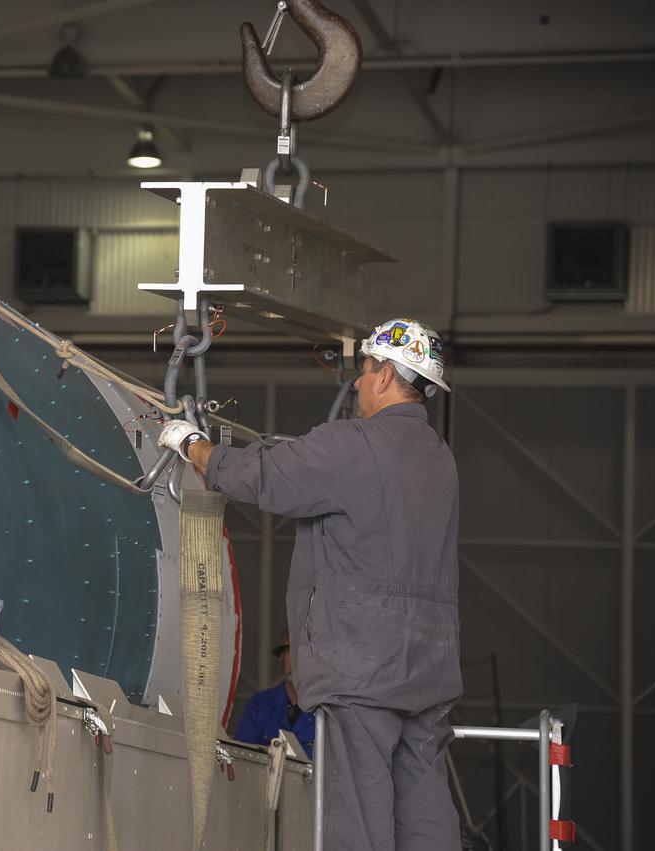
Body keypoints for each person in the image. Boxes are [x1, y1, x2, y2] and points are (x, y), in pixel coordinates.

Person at [160, 318, 462, 851]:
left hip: (362, 669)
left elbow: (269, 480)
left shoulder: (352, 445)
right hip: (428, 669)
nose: (360, 386)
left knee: (359, 820)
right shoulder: (439, 457)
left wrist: (195, 448)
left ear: (388, 374)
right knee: (425, 813)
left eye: (365, 373)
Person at [233, 628, 315, 758]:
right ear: (281, 658)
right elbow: (243, 757)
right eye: (293, 651)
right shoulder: (259, 705)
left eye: (306, 653)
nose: (300, 661)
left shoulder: (327, 711)